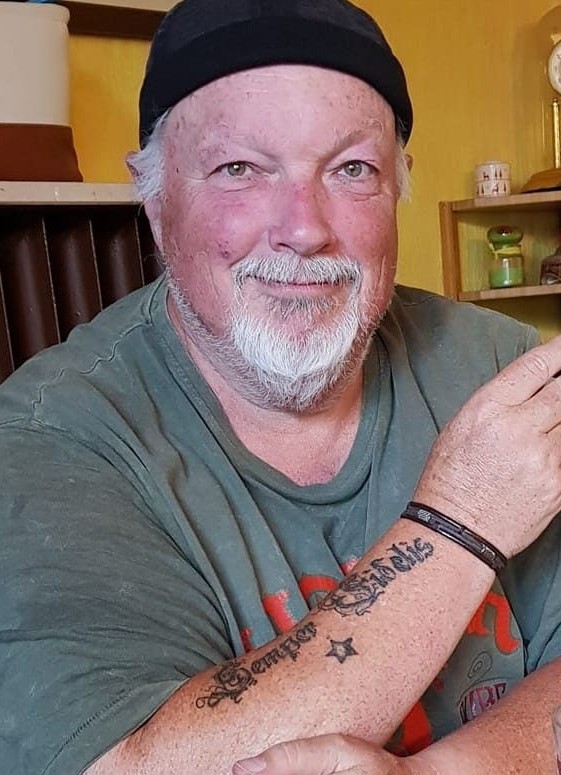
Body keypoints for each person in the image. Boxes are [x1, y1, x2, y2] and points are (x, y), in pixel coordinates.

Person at [1, 1, 561, 773]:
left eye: (351, 169)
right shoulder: (50, 440)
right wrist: (461, 519)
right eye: (239, 169)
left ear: (397, 188)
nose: (303, 228)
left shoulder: (497, 365)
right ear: (156, 203)